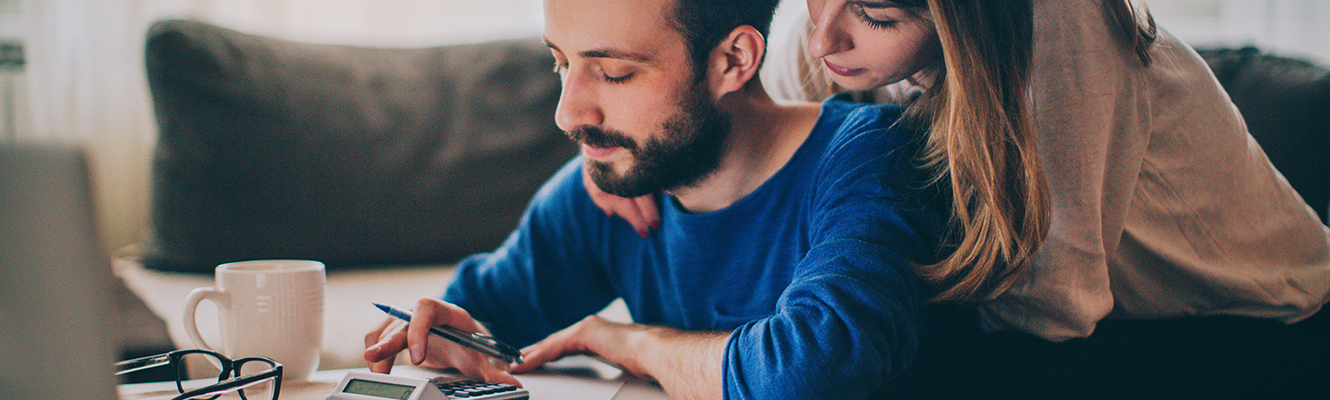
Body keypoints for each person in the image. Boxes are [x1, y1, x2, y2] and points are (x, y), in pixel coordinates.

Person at [589, 0, 1330, 396]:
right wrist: (632, 159)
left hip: (1260, 326)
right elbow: (760, 158)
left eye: (879, 14)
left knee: (880, 369)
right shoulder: (829, 24)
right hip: (1078, 319)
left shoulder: (1060, 26)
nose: (823, 39)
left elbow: (1057, 304)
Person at [363, 0, 949, 398]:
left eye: (614, 73)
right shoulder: (609, 186)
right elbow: (482, 313)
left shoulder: (873, 157)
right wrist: (451, 338)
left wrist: (633, 342)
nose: (568, 113)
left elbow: (813, 370)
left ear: (732, 60)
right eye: (561, 63)